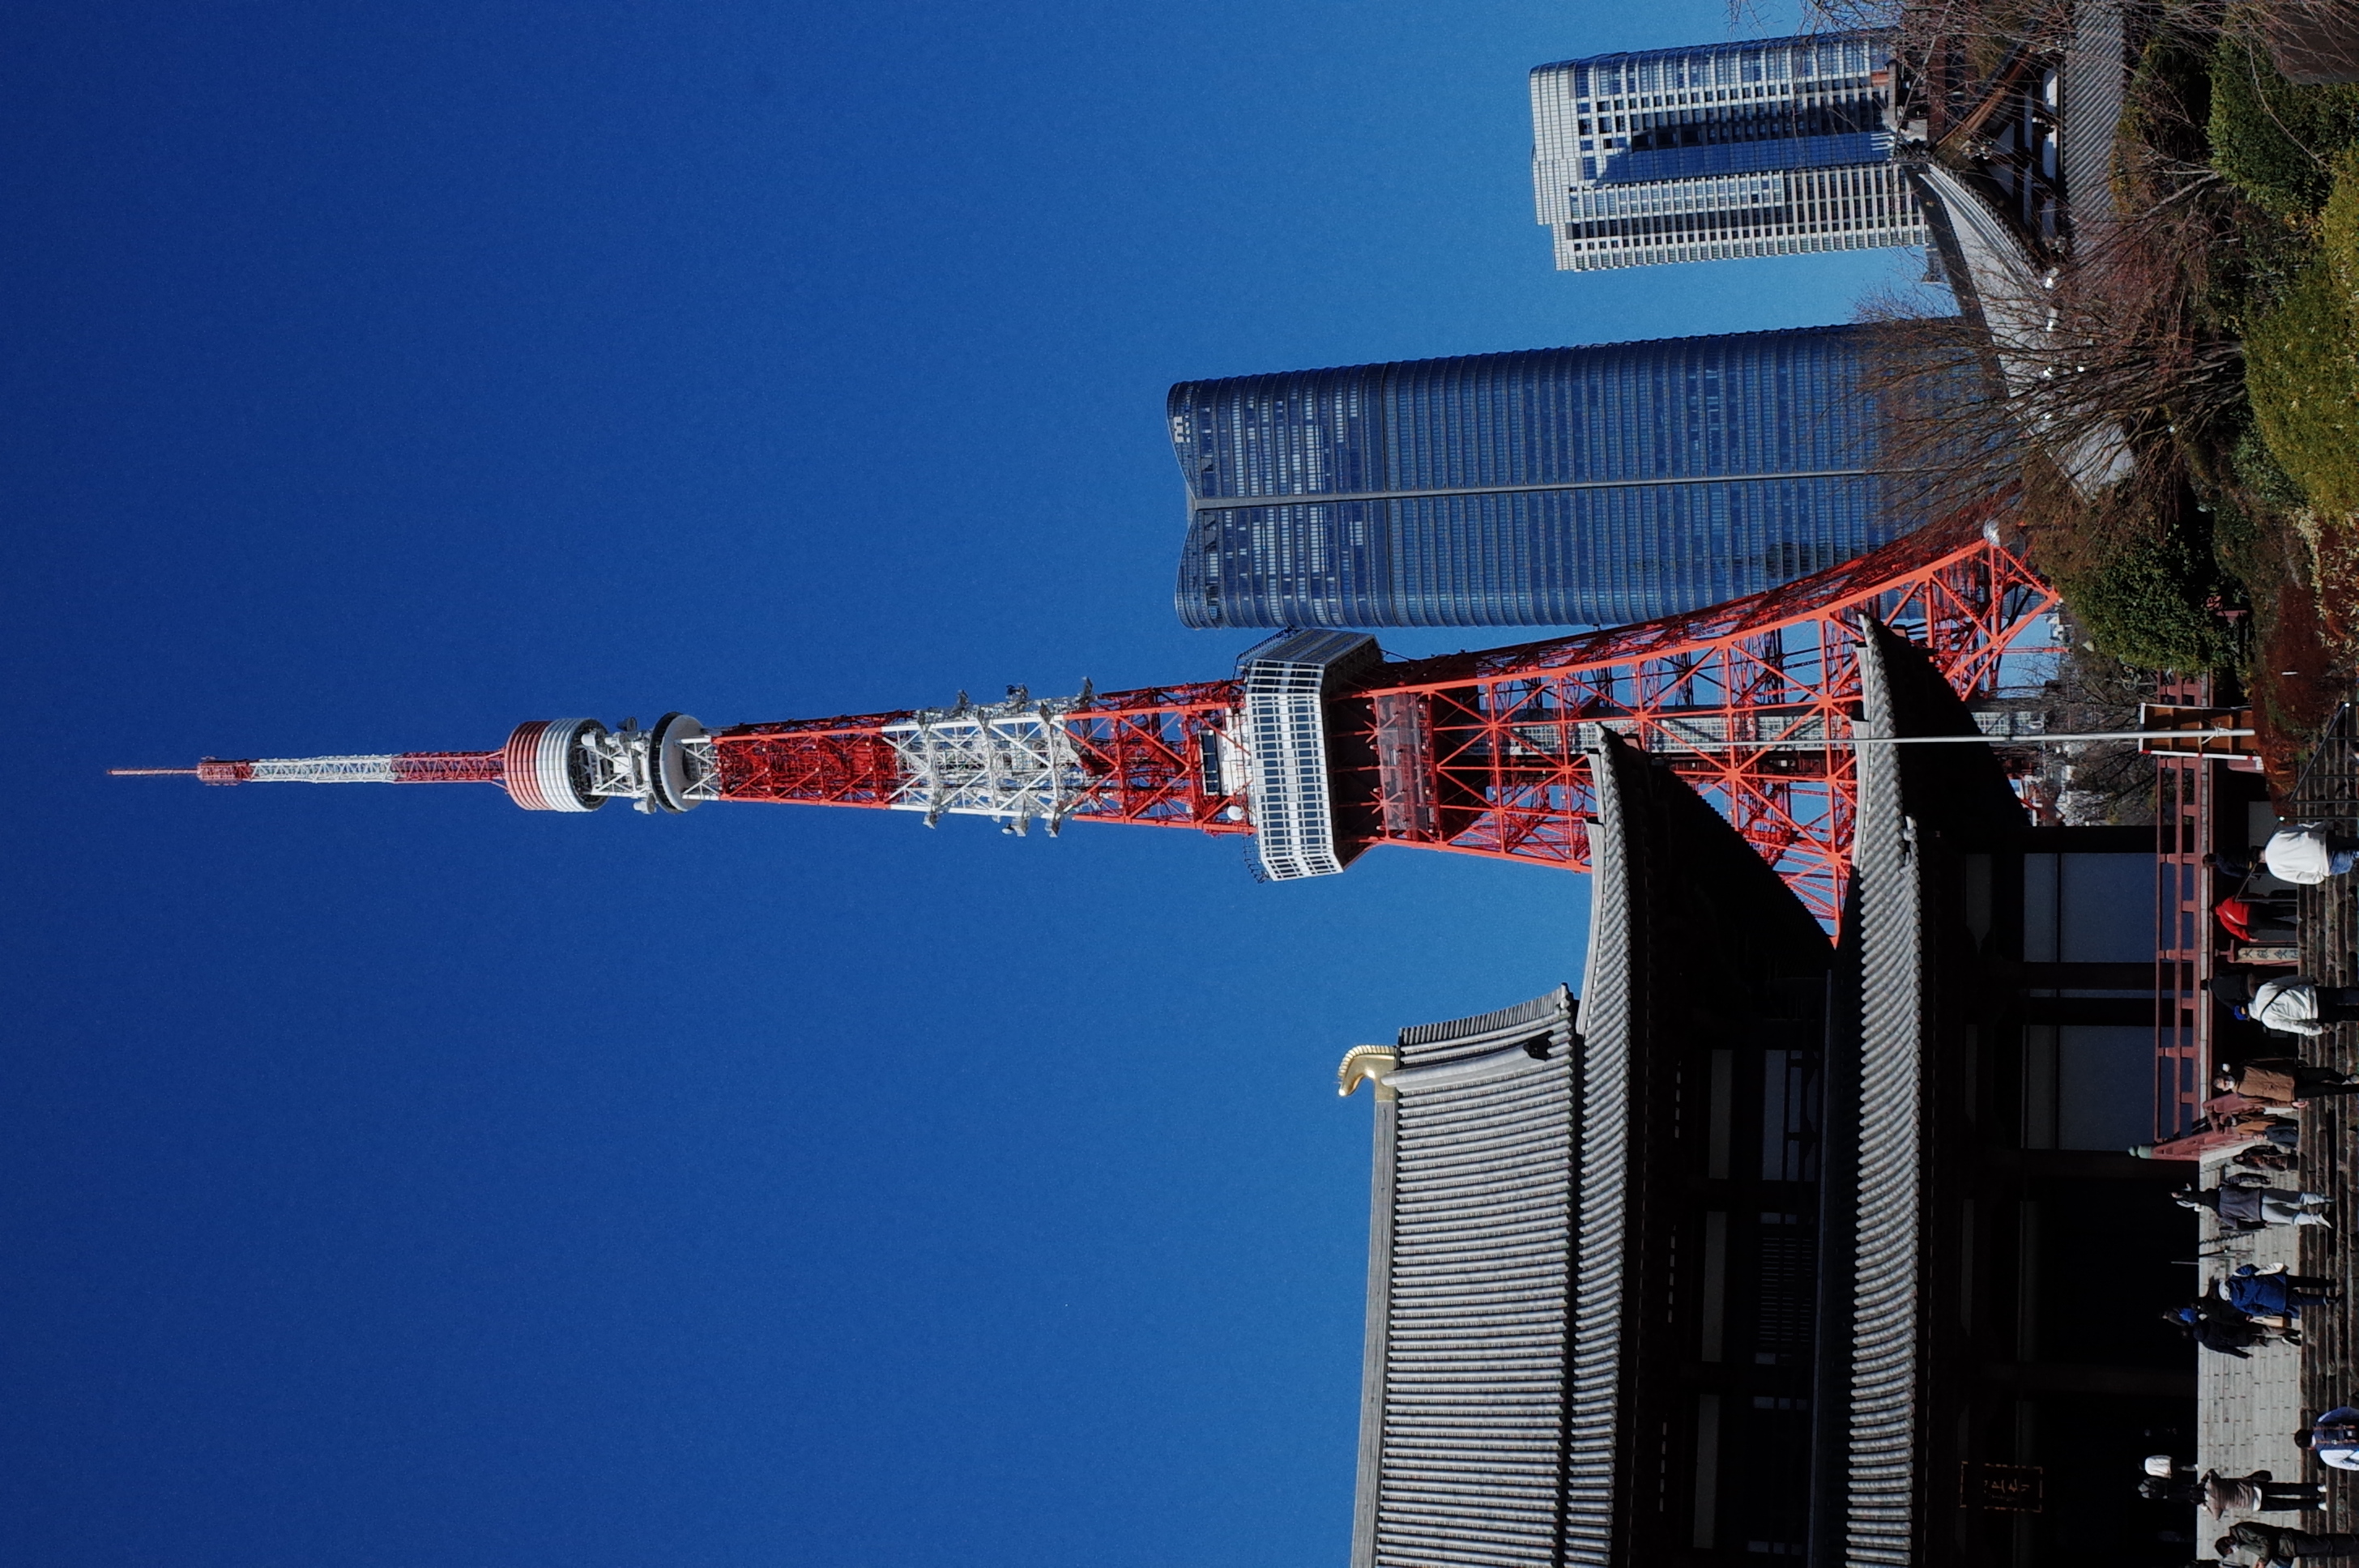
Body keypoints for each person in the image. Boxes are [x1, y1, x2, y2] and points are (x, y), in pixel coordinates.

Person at [2176, 1179, 2333, 1229]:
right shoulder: (2223, 1189)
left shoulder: (2221, 1213)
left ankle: (2317, 1218)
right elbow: (2240, 1177)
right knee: (2298, 1197)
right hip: (2261, 1194)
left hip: (2259, 1213)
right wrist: (2257, 1178)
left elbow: (2240, 1226)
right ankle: (2325, 1199)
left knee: (2293, 1218)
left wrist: (2261, 1225)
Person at [2217, 1519, 2359, 1565]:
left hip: (2290, 1542)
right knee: (2329, 1551)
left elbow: (2266, 1539)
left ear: (2228, 1541)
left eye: (2230, 1550)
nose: (2234, 1551)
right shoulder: (2243, 1543)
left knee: (2327, 1543)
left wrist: (2263, 1560)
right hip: (2290, 1550)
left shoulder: (2242, 1530)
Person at [2225, 1263, 2340, 1319]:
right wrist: (2257, 1273)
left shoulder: (2237, 1303)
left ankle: (2328, 1300)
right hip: (2273, 1281)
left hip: (2274, 1299)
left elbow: (2256, 1310)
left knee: (2303, 1299)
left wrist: (2272, 1308)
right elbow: (2248, 1269)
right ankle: (2328, 1283)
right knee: (2303, 1281)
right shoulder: (2234, 1278)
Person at [2213, 1057, 2359, 1100]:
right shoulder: (2242, 1094)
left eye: (2224, 1079)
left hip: (2291, 1074)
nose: (2227, 1082)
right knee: (2327, 1089)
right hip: (2289, 1093)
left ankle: (2345, 1079)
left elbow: (2271, 1061)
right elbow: (2267, 1103)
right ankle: (2355, 1088)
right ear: (2225, 1089)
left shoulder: (2245, 1066)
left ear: (2225, 1075)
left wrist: (2291, 1061)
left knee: (2325, 1072)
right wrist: (2290, 1105)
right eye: (2224, 1085)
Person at [2264, 824, 2359, 885]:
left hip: (2323, 863)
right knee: (2355, 842)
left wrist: (2320, 877)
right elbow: (2302, 828)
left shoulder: (2275, 870)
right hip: (2323, 842)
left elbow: (2300, 877)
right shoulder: (2276, 838)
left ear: (2260, 862)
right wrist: (2324, 826)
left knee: (2354, 857)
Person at [2298, 1407, 2359, 1472]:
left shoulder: (2325, 1456)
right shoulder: (2321, 1421)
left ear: (2310, 1448)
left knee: (2351, 1458)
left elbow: (2353, 1466)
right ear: (2309, 1430)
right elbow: (2345, 1411)